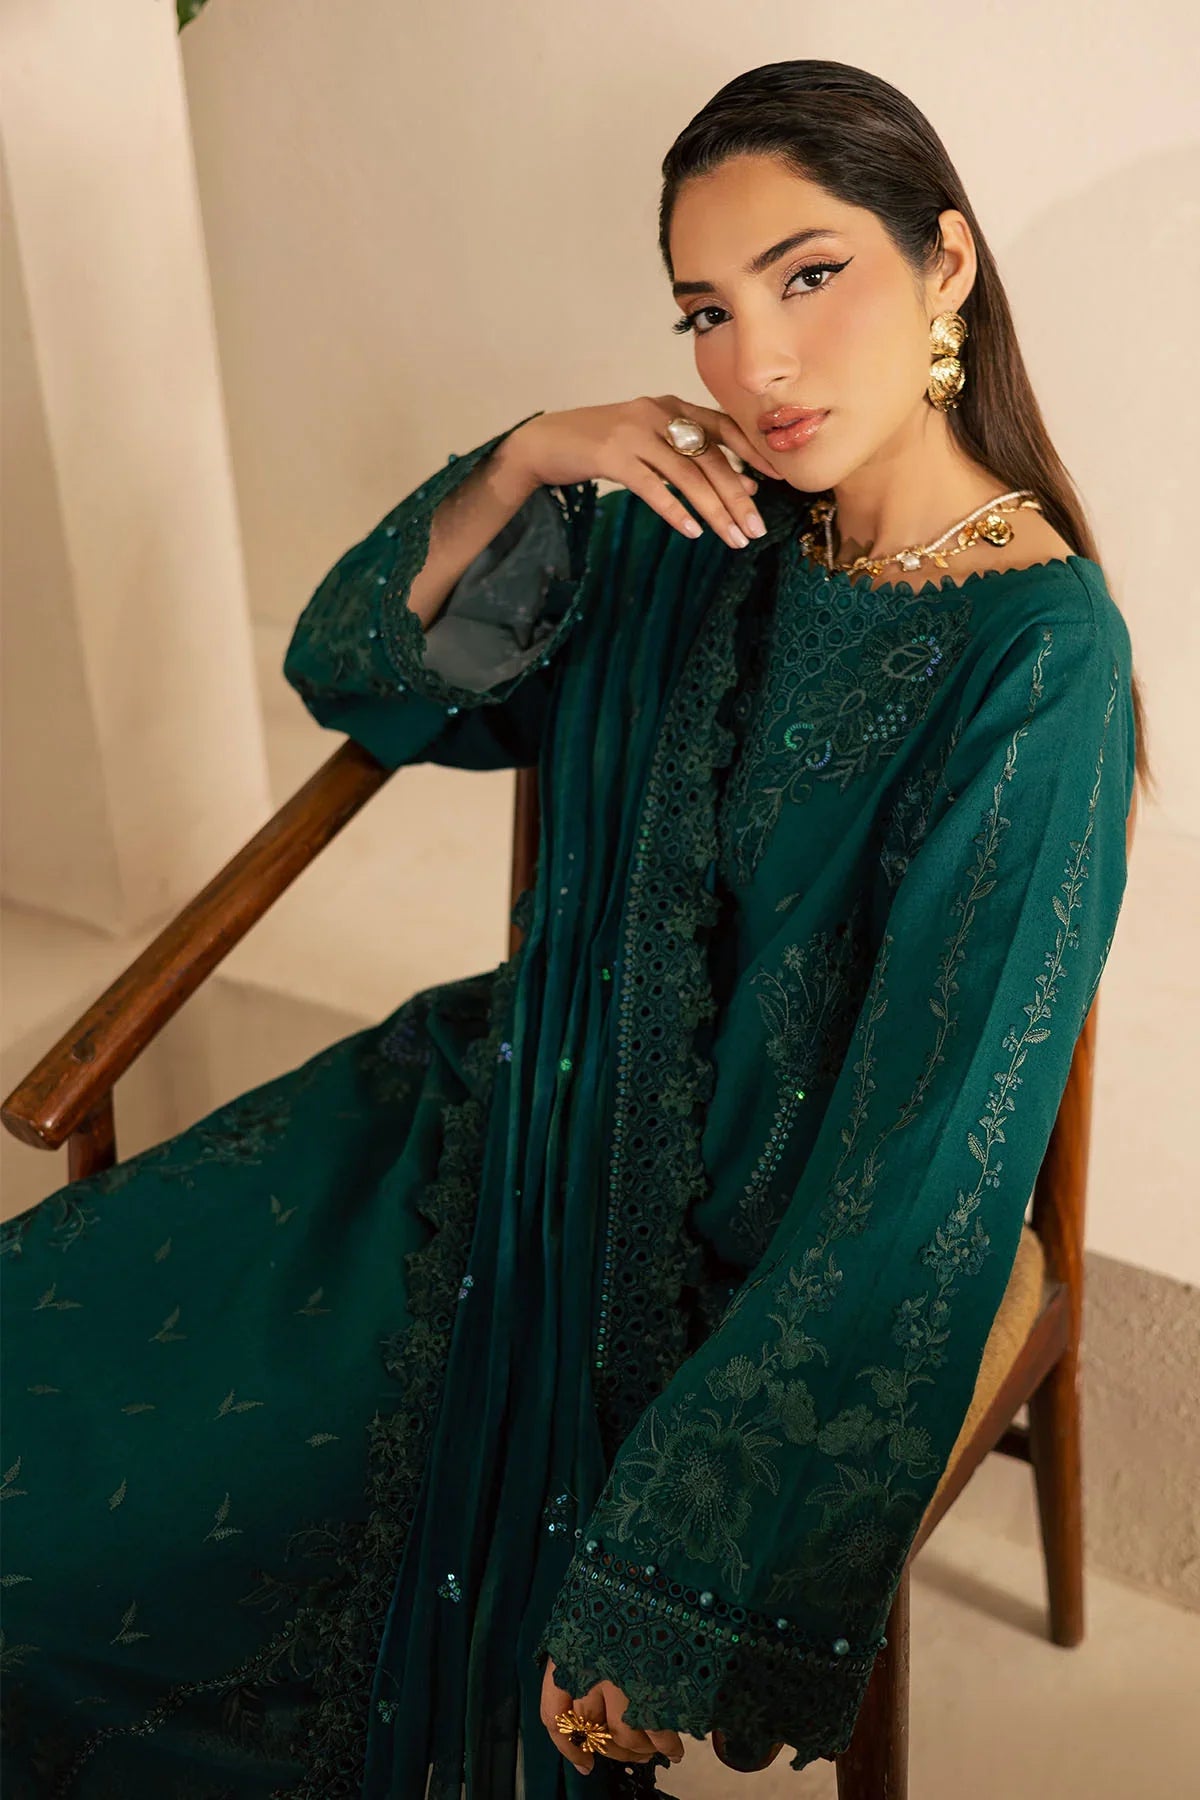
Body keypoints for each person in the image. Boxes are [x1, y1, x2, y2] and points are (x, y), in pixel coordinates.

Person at [0, 57, 1148, 1800]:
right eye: (707, 310)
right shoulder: (699, 529)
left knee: (94, 1586)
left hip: (706, 1269)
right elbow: (360, 676)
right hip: (476, 1118)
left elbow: (926, 1160)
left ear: (948, 264)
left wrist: (670, 1560)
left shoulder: (1035, 660)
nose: (754, 364)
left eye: (809, 274)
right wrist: (525, 458)